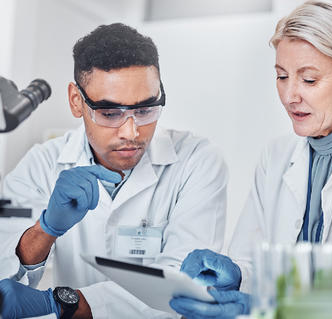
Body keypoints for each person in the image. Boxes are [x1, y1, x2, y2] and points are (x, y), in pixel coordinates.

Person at [169, 0, 332, 318]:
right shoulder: (276, 157)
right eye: (281, 76)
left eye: (309, 80)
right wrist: (237, 276)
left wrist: (270, 308)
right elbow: (254, 265)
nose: (291, 96)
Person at [0, 23, 227, 318]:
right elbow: (8, 282)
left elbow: (181, 285)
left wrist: (61, 303)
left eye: (146, 109)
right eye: (110, 113)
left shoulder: (197, 161)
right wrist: (46, 230)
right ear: (76, 101)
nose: (131, 131)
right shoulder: (41, 164)